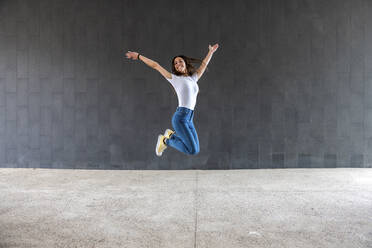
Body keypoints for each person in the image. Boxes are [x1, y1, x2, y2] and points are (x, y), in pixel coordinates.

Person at [125, 43, 219, 156]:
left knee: (196, 150)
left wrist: (210, 52)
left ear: (185, 63)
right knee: (192, 150)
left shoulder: (192, 78)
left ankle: (170, 135)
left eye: (180, 61)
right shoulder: (174, 78)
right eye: (175, 63)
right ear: (174, 67)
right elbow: (155, 65)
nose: (178, 64)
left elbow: (203, 66)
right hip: (180, 118)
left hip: (190, 118)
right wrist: (139, 56)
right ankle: (166, 140)